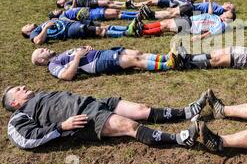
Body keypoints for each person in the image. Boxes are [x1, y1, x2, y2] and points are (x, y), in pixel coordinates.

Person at [1, 85, 208, 150]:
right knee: (130, 126)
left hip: (95, 101)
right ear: (14, 103)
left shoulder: (40, 95)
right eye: (19, 89)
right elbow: (26, 139)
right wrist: (61, 126)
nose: (24, 87)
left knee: (142, 109)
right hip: (84, 118)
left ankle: (187, 112)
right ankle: (180, 139)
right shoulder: (19, 116)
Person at [31, 45, 178, 80]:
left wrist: (86, 48)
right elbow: (66, 76)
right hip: (97, 63)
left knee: (137, 53)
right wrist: (78, 57)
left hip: (100, 53)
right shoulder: (52, 66)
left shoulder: (58, 56)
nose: (44, 48)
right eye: (41, 51)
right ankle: (168, 65)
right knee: (134, 60)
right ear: (41, 60)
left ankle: (165, 57)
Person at [21, 18, 140, 45]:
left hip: (72, 23)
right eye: (25, 27)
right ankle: (126, 33)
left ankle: (127, 28)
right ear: (27, 33)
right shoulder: (34, 33)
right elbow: (37, 42)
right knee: (98, 30)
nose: (27, 24)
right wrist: (46, 28)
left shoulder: (41, 23)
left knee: (104, 25)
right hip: (70, 30)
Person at [137, 10, 236, 41]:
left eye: (226, 15)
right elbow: (209, 14)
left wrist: (199, 37)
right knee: (166, 21)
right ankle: (144, 27)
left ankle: (142, 32)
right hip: (189, 19)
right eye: (225, 13)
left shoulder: (221, 25)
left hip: (190, 25)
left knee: (165, 27)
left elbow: (211, 33)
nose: (223, 13)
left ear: (227, 19)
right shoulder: (216, 17)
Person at [139, 0, 235, 21]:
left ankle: (152, 15)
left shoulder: (221, 10)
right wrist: (205, 1)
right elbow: (206, 7)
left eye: (230, 5)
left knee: (173, 14)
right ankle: (152, 14)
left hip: (194, 10)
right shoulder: (219, 6)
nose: (229, 3)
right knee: (173, 12)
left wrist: (209, 2)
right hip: (193, 7)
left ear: (228, 9)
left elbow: (210, 14)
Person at [48, 7, 139, 22]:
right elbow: (70, 21)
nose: (56, 10)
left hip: (92, 10)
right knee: (115, 13)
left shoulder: (65, 10)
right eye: (54, 12)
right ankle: (136, 16)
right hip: (91, 15)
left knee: (116, 10)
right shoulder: (62, 17)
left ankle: (137, 13)